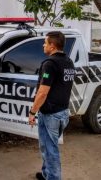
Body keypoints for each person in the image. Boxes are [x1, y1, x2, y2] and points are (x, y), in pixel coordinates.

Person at [28, 31, 75, 180]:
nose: (43, 45)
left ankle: (53, 177)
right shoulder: (68, 62)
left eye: (45, 42)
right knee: (48, 147)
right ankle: (46, 174)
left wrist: (32, 112)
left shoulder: (49, 64)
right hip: (62, 112)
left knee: (50, 150)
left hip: (51, 115)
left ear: (52, 46)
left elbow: (42, 93)